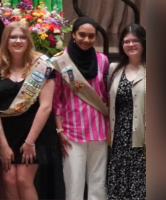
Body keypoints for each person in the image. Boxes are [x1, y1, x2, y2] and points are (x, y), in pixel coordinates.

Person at [0, 19, 60, 200]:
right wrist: (3, 145)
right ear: (5, 40)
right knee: (8, 179)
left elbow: (46, 106)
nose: (17, 41)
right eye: (13, 37)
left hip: (34, 133)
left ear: (28, 41)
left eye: (22, 37)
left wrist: (30, 142)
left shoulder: (42, 66)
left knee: (24, 180)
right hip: (4, 133)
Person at [55, 17, 111, 200]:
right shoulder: (61, 61)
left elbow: (106, 95)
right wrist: (59, 129)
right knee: (73, 182)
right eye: (82, 35)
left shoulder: (102, 60)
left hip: (99, 130)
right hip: (72, 132)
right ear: (73, 34)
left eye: (91, 36)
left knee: (98, 182)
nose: (86, 40)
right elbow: (56, 99)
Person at [106, 25, 147, 200]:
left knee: (141, 187)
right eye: (126, 41)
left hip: (144, 137)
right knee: (119, 186)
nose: (130, 44)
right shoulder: (114, 69)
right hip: (119, 138)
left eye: (135, 40)